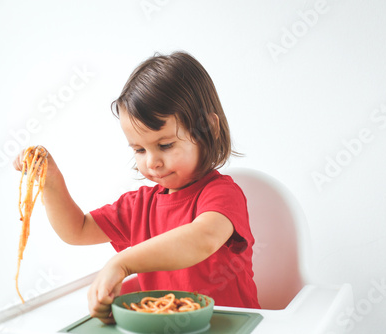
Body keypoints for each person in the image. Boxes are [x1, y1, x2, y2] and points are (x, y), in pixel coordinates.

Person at [13, 51, 260, 323]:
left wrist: (123, 262)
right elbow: (77, 230)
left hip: (232, 325)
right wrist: (51, 182)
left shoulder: (223, 194)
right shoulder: (138, 205)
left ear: (209, 128)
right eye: (139, 149)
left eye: (165, 145)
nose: (152, 162)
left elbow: (203, 238)